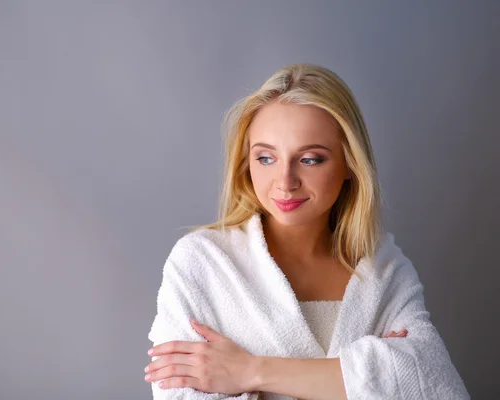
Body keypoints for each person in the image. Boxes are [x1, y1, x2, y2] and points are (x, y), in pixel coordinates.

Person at [144, 63, 470, 399]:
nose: (285, 182)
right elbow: (179, 395)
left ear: (349, 164)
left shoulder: (384, 270)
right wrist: (369, 376)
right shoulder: (202, 264)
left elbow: (426, 381)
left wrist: (250, 371)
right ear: (246, 163)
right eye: (266, 158)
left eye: (311, 159)